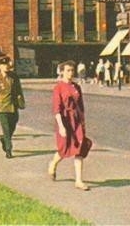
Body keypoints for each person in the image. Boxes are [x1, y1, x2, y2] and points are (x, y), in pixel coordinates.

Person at [47, 60, 91, 191]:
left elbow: (81, 107)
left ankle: (79, 180)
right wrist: (61, 126)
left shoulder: (76, 87)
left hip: (76, 121)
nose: (71, 73)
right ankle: (53, 164)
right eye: (68, 70)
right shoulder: (58, 88)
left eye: (72, 70)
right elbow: (57, 109)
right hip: (65, 120)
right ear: (62, 72)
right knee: (64, 148)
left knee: (80, 149)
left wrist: (82, 123)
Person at [0, 55, 24, 159]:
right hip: (3, 107)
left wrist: (22, 101)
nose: (6, 66)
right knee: (6, 129)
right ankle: (8, 150)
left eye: (7, 64)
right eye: (3, 64)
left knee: (12, 127)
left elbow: (19, 90)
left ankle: (4, 139)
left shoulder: (14, 76)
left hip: (14, 106)